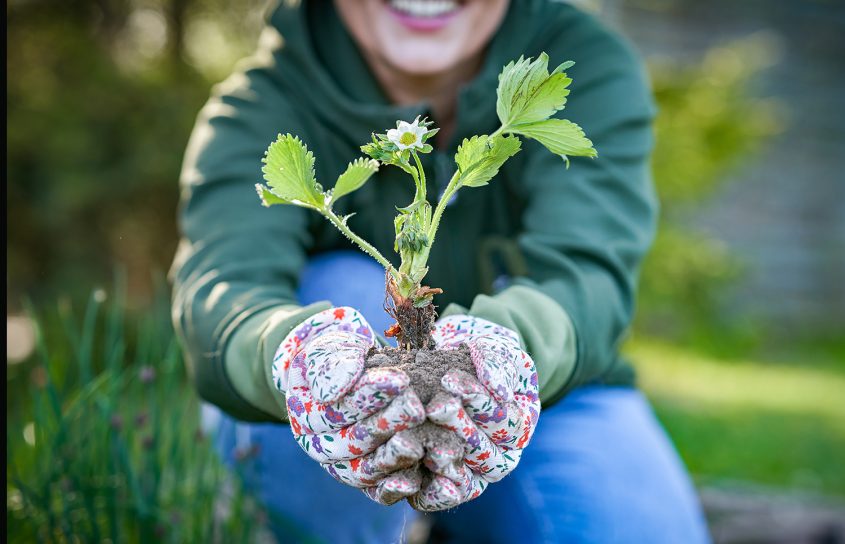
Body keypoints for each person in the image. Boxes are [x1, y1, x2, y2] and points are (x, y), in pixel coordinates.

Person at [170, 0, 711, 541]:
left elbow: (588, 273)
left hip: (549, 391)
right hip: (332, 414)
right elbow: (224, 294)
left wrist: (505, 352)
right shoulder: (259, 105)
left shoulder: (584, 64)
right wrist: (292, 354)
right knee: (344, 290)